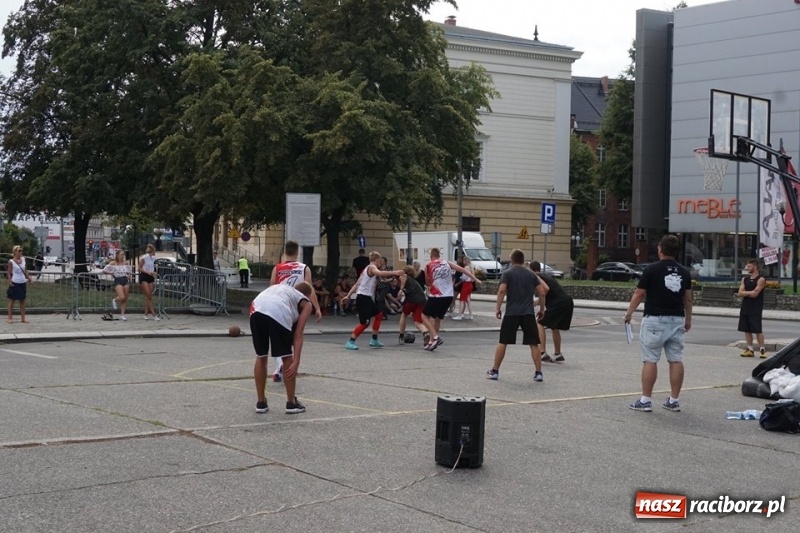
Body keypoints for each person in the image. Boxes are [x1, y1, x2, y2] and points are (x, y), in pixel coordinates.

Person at [624, 234, 692, 413]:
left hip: (654, 319)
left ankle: (646, 400)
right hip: (676, 319)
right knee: (676, 359)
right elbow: (688, 299)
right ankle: (673, 400)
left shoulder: (651, 270)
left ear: (660, 249)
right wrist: (688, 319)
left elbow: (639, 293)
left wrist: (629, 313)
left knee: (650, 359)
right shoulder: (684, 272)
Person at [250, 281, 314, 414]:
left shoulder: (283, 290)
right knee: (286, 356)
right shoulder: (306, 303)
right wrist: (296, 361)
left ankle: (261, 402)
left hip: (256, 307)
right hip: (278, 309)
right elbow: (298, 334)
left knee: (261, 355)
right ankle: (291, 403)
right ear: (307, 295)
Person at [486, 249, 546, 381]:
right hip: (528, 313)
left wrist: (498, 308)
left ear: (512, 260)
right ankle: (538, 373)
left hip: (512, 312)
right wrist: (541, 309)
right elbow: (542, 293)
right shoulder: (531, 275)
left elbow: (502, 290)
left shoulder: (507, 274)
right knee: (534, 343)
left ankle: (495, 370)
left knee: (503, 341)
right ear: (523, 260)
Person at [269, 240, 323, 382]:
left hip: (279, 307)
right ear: (298, 252)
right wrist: (317, 308)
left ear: (285, 252)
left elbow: (272, 289)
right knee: (296, 337)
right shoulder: (304, 268)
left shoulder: (278, 268)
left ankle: (280, 365)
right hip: (298, 307)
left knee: (278, 339)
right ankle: (288, 366)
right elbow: (309, 290)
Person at [344, 251, 404, 350]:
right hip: (363, 298)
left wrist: (348, 296)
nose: (381, 263)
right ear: (376, 260)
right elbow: (380, 273)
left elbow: (357, 284)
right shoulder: (372, 267)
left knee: (379, 315)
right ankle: (350, 341)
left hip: (366, 297)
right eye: (380, 261)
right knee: (365, 323)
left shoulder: (366, 270)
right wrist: (395, 272)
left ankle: (374, 340)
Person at [421, 247, 473, 351]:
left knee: (424, 316)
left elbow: (427, 282)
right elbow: (462, 269)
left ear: (431, 256)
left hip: (436, 295)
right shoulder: (446, 262)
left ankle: (435, 337)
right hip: (449, 295)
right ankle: (432, 341)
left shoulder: (428, 265)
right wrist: (476, 279)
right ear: (439, 255)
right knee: (437, 318)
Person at [530, 261, 574, 363]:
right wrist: (538, 302)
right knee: (554, 327)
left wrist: (539, 305)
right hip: (567, 301)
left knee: (540, 322)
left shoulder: (536, 276)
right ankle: (558, 354)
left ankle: (542, 352)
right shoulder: (546, 276)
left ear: (531, 270)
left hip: (558, 304)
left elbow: (545, 290)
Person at [737, 259, 767, 358]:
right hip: (746, 307)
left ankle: (762, 350)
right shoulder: (745, 279)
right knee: (747, 329)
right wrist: (749, 293)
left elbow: (755, 294)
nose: (747, 268)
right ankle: (750, 349)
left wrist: (745, 293)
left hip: (756, 308)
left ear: (755, 266)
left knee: (757, 329)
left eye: (749, 266)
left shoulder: (760, 279)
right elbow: (740, 292)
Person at [398, 265, 430, 345]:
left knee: (404, 315)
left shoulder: (406, 277)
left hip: (411, 300)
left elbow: (404, 276)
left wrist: (401, 289)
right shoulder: (414, 281)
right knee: (417, 322)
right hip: (422, 301)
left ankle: (401, 336)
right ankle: (425, 332)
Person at [7, 245, 34, 323]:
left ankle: (23, 318)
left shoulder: (23, 259)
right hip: (15, 282)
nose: (21, 252)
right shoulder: (11, 262)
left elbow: (25, 270)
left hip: (22, 282)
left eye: (21, 250)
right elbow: (8, 273)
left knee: (22, 300)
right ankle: (10, 318)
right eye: (19, 251)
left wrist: (29, 279)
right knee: (11, 300)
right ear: (15, 252)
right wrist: (10, 281)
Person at [104, 249, 132, 321]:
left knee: (125, 298)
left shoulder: (126, 263)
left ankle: (122, 314)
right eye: (121, 255)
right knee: (122, 297)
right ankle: (115, 300)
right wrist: (111, 274)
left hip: (125, 280)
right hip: (118, 280)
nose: (123, 256)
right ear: (117, 255)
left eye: (123, 255)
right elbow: (105, 270)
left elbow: (129, 271)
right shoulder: (113, 263)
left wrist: (128, 275)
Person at [138, 244, 160, 321]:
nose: (155, 252)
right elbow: (140, 268)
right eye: (154, 251)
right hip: (144, 276)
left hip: (151, 277)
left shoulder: (154, 258)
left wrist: (154, 272)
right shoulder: (144, 257)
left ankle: (146, 314)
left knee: (149, 296)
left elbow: (154, 267)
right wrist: (148, 272)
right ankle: (154, 314)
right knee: (149, 295)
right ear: (152, 251)